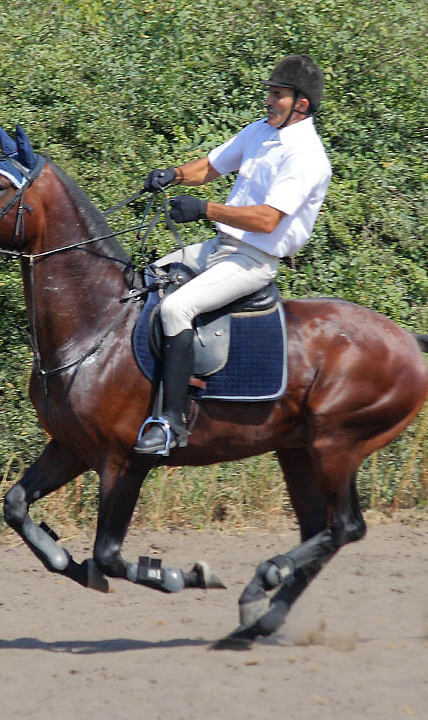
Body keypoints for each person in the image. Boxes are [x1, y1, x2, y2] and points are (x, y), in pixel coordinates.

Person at [134, 53, 332, 455]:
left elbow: (266, 219)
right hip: (218, 247)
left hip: (252, 260)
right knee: (141, 280)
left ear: (301, 104)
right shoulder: (260, 131)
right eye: (270, 94)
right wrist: (173, 174)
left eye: (276, 95)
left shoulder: (307, 156)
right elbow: (211, 166)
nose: (268, 101)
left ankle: (170, 422)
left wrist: (204, 210)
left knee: (176, 311)